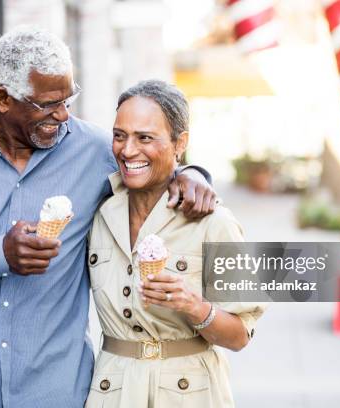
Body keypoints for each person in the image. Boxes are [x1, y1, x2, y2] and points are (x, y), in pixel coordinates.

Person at [0, 27, 215, 408]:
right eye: (46, 104)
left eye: (68, 99)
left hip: (54, 394)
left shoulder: (94, 150)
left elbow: (151, 163)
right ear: (2, 98)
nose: (62, 115)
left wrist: (193, 174)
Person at [86, 80, 265, 408]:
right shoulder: (97, 214)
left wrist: (194, 306)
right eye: (119, 135)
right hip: (112, 391)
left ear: (179, 142)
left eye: (145, 138)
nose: (127, 151)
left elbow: (240, 336)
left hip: (191, 393)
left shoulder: (216, 222)